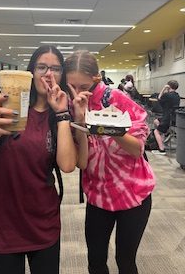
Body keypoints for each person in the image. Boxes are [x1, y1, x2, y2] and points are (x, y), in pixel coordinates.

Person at [0, 45, 79, 274]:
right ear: (31, 72)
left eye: (56, 69)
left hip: (42, 221)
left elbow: (67, 166)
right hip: (2, 221)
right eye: (42, 67)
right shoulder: (7, 104)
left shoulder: (60, 115)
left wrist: (62, 114)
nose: (48, 74)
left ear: (62, 75)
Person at [65, 50, 155, 274]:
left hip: (133, 193)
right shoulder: (70, 105)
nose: (77, 93)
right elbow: (82, 163)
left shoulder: (116, 98)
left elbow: (136, 149)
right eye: (71, 86)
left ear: (96, 78)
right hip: (98, 195)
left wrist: (104, 126)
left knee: (125, 261)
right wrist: (79, 119)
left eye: (83, 86)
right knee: (95, 262)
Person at [151, 80, 180, 155]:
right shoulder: (177, 95)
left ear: (168, 86)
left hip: (167, 118)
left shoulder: (167, 95)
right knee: (156, 121)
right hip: (174, 118)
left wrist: (164, 89)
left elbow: (159, 98)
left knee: (156, 131)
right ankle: (162, 136)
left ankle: (161, 149)